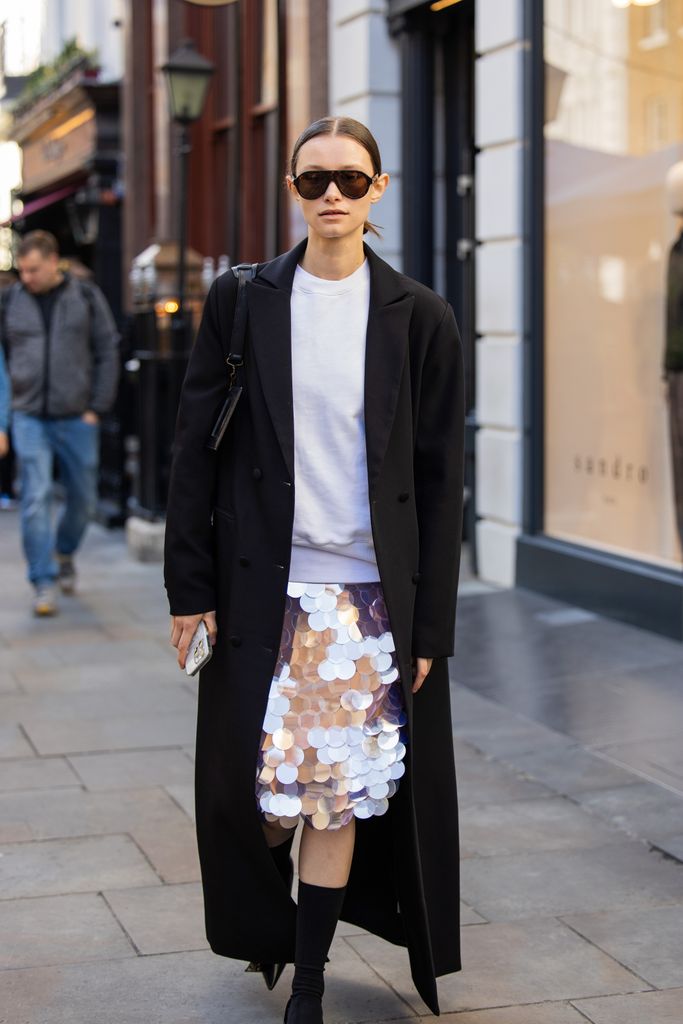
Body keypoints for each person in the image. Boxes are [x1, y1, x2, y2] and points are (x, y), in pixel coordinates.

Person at [164, 117, 465, 1022]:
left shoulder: (422, 318)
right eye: (311, 181)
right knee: (257, 796)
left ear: (377, 190)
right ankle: (269, 921)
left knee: (331, 799)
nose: (329, 194)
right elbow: (192, 450)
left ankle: (311, 977)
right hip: (267, 591)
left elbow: (440, 482)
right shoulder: (245, 299)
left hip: (368, 604)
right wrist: (190, 592)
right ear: (293, 192)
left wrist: (430, 629)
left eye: (348, 178)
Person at [1, 231, 119, 615]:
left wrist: (96, 407)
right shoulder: (9, 302)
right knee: (34, 498)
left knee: (83, 500)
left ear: (53, 261)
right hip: (28, 415)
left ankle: (64, 551)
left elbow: (107, 350)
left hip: (76, 416)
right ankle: (43, 580)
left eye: (34, 269)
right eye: (22, 270)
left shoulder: (85, 296)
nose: (27, 277)